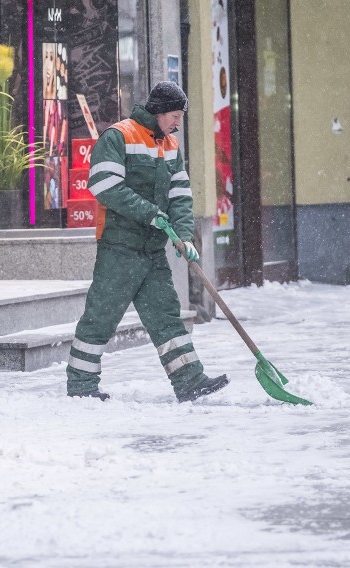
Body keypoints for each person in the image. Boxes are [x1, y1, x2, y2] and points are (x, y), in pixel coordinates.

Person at [66, 81, 229, 403]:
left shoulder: (169, 145)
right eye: (173, 115)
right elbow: (104, 185)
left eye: (180, 116)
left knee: (165, 315)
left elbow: (180, 195)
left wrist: (183, 235)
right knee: (101, 316)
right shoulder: (118, 136)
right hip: (119, 246)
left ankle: (190, 381)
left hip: (152, 250)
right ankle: (81, 387)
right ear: (157, 111)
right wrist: (149, 213)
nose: (177, 123)